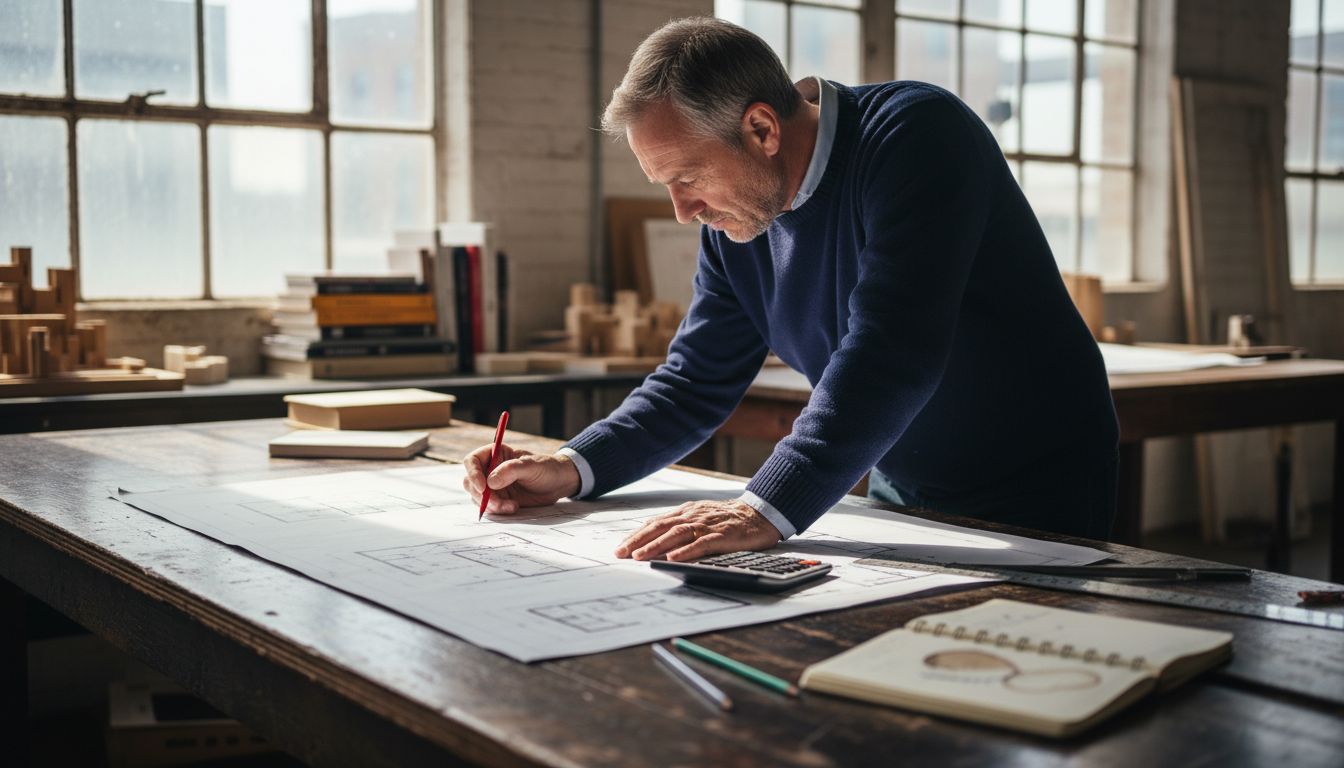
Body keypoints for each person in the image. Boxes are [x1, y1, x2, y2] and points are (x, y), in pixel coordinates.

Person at [464, 17, 1118, 563]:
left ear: (762, 129)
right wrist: (571, 467)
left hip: (1034, 481)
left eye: (688, 177)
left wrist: (763, 506)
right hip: (898, 476)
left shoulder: (917, 136)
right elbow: (695, 381)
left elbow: (893, 351)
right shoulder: (737, 222)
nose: (682, 212)